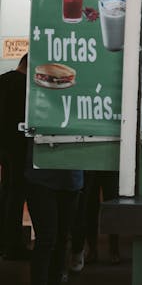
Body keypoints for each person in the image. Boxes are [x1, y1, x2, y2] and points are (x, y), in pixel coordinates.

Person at [25, 143, 82, 285]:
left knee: (61, 237)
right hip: (41, 173)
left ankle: (55, 278)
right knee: (47, 237)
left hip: (70, 174)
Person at [0, 53, 29, 261]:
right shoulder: (25, 87)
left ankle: (5, 243)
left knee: (6, 191)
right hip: (18, 147)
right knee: (16, 194)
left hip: (3, 146)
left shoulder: (2, 80)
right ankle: (12, 245)